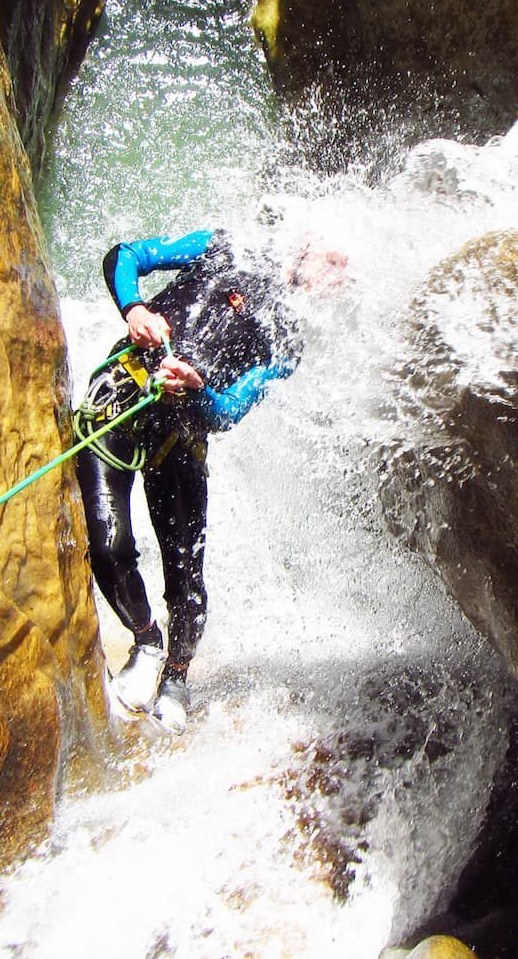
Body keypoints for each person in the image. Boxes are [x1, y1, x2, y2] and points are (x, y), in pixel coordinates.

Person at [76, 227, 343, 732]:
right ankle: (146, 639)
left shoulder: (286, 343)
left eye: (343, 271)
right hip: (115, 401)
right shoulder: (224, 245)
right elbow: (126, 256)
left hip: (179, 441)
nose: (336, 272)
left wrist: (197, 391)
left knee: (186, 583)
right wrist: (135, 309)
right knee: (109, 548)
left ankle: (177, 674)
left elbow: (228, 411)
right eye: (333, 256)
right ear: (308, 240)